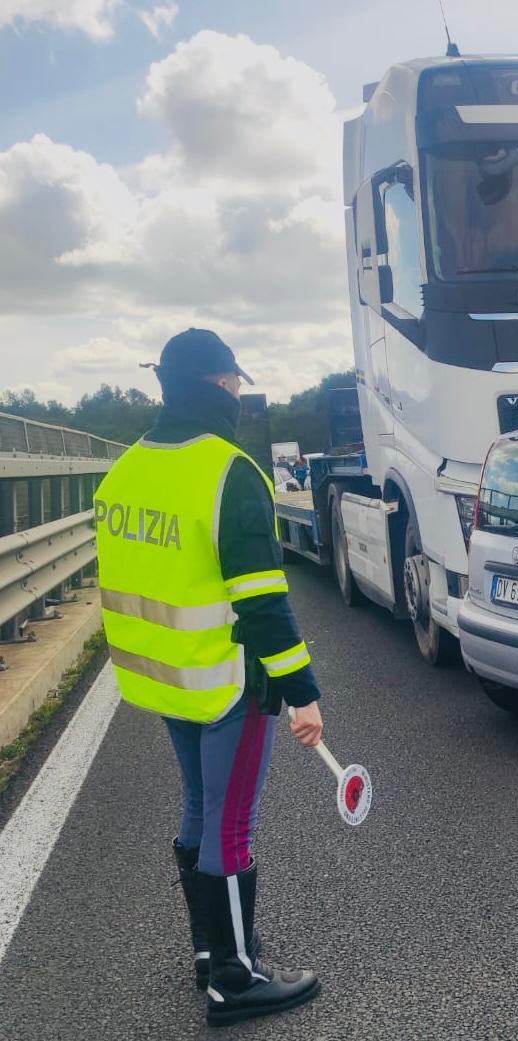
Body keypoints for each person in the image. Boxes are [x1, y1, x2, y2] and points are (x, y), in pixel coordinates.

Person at [94, 328, 324, 1028]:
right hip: (227, 681)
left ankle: (208, 950)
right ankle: (235, 976)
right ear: (220, 385)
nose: (236, 392)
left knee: (200, 806)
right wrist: (303, 690)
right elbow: (262, 603)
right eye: (233, 382)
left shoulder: (126, 467)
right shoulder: (229, 472)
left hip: (164, 677)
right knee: (232, 821)